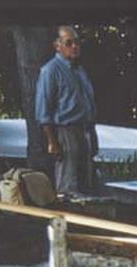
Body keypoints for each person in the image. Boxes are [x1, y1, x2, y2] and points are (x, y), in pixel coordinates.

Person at [35, 25, 98, 195]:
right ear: (57, 46)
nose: (74, 46)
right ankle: (67, 215)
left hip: (84, 129)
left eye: (77, 42)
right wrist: (52, 141)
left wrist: (92, 134)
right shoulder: (51, 70)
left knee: (87, 182)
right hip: (65, 131)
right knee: (68, 184)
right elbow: (43, 110)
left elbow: (88, 104)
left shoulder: (79, 70)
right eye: (69, 43)